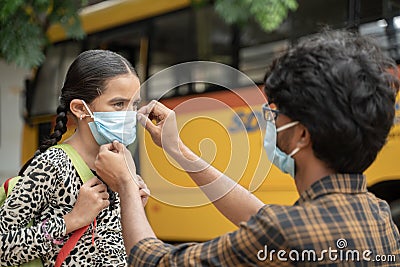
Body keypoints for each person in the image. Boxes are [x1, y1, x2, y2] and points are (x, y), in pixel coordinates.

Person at [95, 30, 400, 266]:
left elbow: (155, 261)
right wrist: (180, 152)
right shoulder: (378, 214)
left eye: (277, 114)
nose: (271, 121)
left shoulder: (285, 233)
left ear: (302, 136)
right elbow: (263, 217)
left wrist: (125, 185)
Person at [0, 50, 148, 266]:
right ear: (80, 108)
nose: (130, 114)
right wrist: (72, 220)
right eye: (118, 104)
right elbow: (4, 246)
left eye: (134, 104)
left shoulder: (119, 164)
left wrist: (132, 205)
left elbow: (111, 249)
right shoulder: (52, 165)